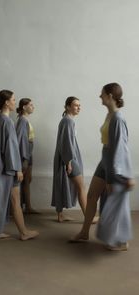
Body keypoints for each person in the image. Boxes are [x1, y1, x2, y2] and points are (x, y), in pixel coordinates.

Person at [71, 83, 135, 251]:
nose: (100, 96)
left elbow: (120, 149)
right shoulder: (109, 115)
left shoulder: (118, 118)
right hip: (105, 160)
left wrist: (114, 177)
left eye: (102, 94)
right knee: (91, 196)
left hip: (114, 163)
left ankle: (121, 241)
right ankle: (84, 232)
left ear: (110, 96)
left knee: (116, 202)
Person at [0, 90, 39, 241]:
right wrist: (17, 168)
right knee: (15, 201)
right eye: (13, 99)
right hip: (8, 169)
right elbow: (11, 148)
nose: (14, 102)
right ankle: (24, 232)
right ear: (6, 102)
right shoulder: (7, 122)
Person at [51, 97, 89, 222]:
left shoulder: (66, 120)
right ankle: (89, 217)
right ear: (67, 107)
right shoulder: (68, 121)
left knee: (62, 182)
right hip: (70, 158)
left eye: (79, 105)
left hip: (67, 157)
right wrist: (69, 162)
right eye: (76, 105)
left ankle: (60, 215)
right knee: (81, 187)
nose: (79, 107)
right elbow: (66, 143)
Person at [16, 98, 39, 214]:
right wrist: (24, 158)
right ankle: (17, 208)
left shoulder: (26, 120)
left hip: (29, 154)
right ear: (24, 107)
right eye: (30, 105)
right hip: (24, 155)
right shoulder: (22, 121)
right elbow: (20, 141)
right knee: (20, 181)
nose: (33, 107)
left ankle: (28, 207)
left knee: (27, 180)